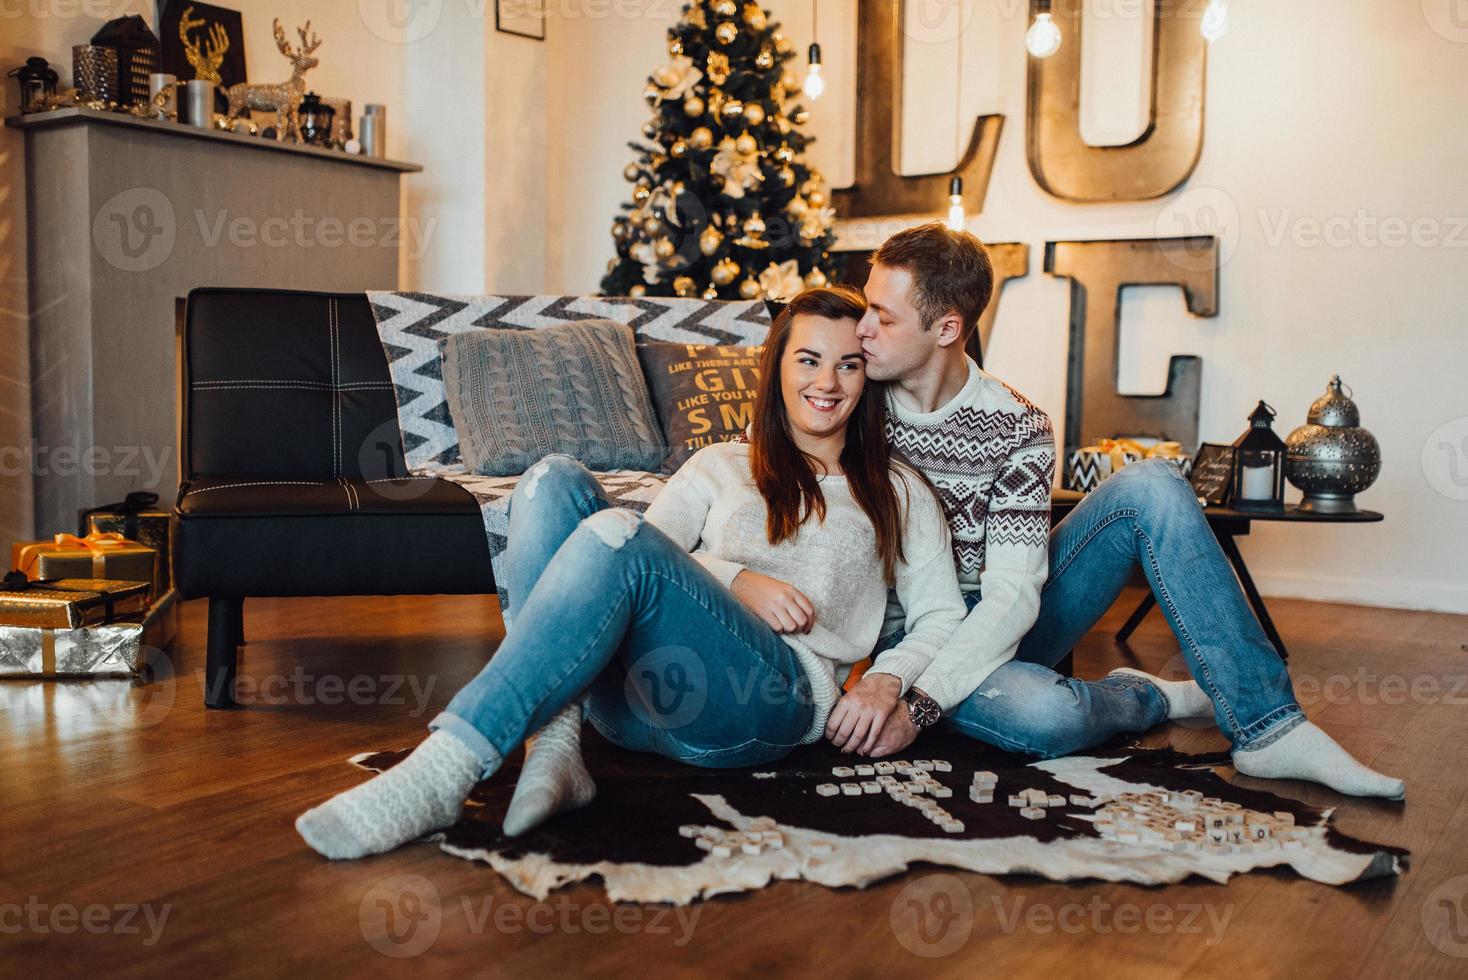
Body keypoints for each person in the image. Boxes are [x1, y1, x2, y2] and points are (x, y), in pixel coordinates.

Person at [296, 286, 971, 859]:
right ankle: (556, 742)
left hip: (758, 698)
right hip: (628, 703)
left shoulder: (895, 488)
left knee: (616, 532)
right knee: (551, 481)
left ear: (868, 377)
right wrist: (736, 579)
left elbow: (942, 613)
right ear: (778, 368)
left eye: (849, 365)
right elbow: (644, 551)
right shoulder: (718, 464)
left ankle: (446, 769)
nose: (827, 382)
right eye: (809, 360)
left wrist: (886, 682)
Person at [852, 222, 1404, 800]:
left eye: (883, 318)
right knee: (1046, 715)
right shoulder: (852, 398)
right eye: (867, 308)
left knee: (1155, 486)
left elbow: (1012, 594)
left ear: (947, 328)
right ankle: (1154, 697)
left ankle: (1268, 727)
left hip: (1006, 614)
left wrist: (919, 707)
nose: (862, 330)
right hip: (905, 635)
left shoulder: (1017, 423)